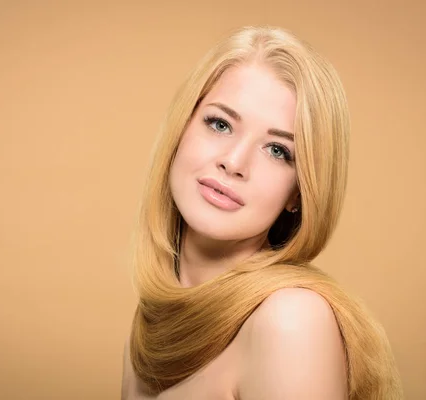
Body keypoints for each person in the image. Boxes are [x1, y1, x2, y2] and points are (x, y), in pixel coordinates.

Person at [121, 25, 403, 399]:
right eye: (220, 124)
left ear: (299, 192)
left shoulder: (290, 321)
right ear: (180, 130)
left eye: (277, 151)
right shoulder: (150, 324)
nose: (234, 162)